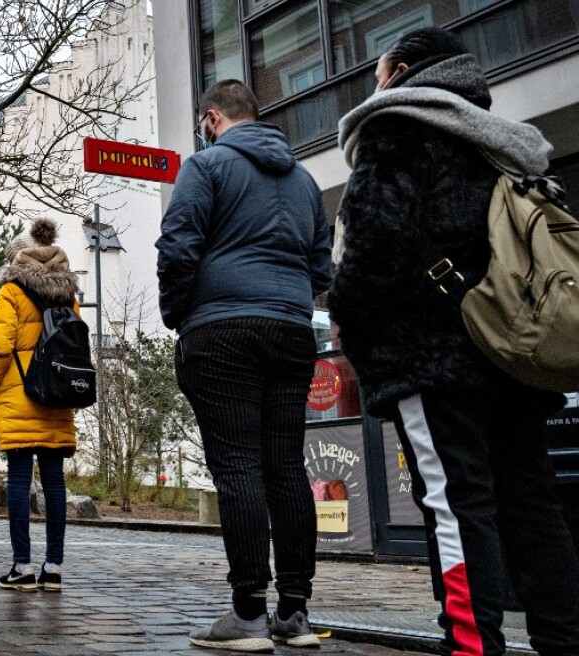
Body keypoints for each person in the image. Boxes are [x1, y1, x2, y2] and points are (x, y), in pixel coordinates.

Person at [331, 28, 579, 656]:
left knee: (454, 503)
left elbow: (371, 248)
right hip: (512, 354)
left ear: (405, 71)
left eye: (380, 72)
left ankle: (472, 647)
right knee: (531, 504)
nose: (375, 85)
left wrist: (355, 326)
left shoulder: (397, 130)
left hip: (432, 358)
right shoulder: (501, 144)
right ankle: (562, 639)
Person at [156, 79, 332, 651]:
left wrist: (178, 313)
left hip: (222, 330)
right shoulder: (304, 181)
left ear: (211, 119)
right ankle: (295, 614)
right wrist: (290, 301)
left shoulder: (205, 169)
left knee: (237, 467)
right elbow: (322, 266)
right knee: (285, 468)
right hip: (290, 330)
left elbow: (178, 245)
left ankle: (247, 615)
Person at [0, 219, 79, 592]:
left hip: (20, 395)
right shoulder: (67, 293)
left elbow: (1, 345)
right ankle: (53, 567)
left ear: (17, 260)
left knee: (20, 481)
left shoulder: (11, 291)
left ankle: (22, 566)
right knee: (54, 482)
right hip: (56, 396)